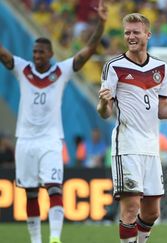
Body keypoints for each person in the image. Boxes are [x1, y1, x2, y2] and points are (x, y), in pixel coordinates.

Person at [0, 1, 107, 242]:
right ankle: (36, 240)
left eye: (41, 52)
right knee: (30, 194)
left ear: (50, 54)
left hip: (50, 140)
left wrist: (101, 24)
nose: (37, 55)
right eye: (35, 52)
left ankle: (55, 238)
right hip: (25, 141)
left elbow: (88, 51)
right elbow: (3, 53)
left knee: (54, 188)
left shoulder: (61, 71)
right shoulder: (22, 69)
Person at [97, 13, 167, 243]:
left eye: (136, 32)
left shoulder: (161, 68)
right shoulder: (114, 67)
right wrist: (103, 103)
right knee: (131, 207)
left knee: (152, 212)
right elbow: (106, 113)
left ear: (148, 34)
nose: (131, 36)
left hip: (151, 146)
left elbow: (161, 109)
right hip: (126, 145)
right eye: (127, 32)